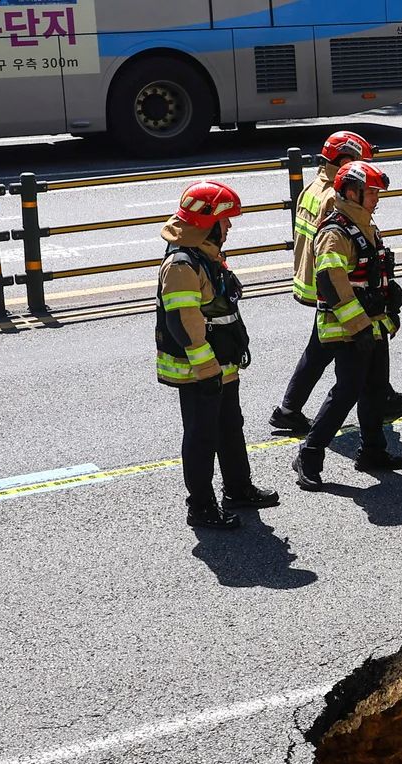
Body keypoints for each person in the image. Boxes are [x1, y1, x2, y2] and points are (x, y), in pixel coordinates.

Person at [270, 131, 402, 434]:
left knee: (321, 349)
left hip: (309, 279)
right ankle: (295, 412)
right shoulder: (333, 199)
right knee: (336, 350)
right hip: (333, 287)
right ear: (346, 161)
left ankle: (291, 408)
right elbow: (340, 252)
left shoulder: (311, 187)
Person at [155, 180, 280, 529]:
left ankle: (238, 489)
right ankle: (201, 507)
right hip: (200, 369)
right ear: (205, 223)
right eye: (225, 220)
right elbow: (183, 322)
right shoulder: (182, 264)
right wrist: (207, 368)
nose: (230, 226)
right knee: (201, 436)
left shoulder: (204, 255)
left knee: (229, 427)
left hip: (219, 364)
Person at [293, 160, 402, 490]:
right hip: (348, 329)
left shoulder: (364, 225)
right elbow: (331, 283)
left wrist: (388, 295)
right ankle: (309, 455)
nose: (376, 198)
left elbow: (367, 274)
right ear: (352, 193)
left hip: (370, 326)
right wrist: (358, 326)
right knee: (346, 392)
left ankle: (373, 450)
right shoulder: (336, 232)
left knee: (374, 389)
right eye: (371, 192)